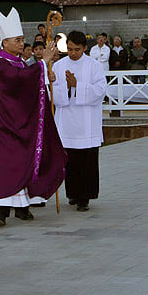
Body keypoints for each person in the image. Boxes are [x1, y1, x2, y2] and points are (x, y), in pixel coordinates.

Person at [0, 8, 66, 226]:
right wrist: (41, 65)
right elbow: (17, 81)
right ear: (5, 43)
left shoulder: (19, 62)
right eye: (17, 40)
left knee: (23, 161)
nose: (22, 44)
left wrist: (44, 75)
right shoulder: (1, 64)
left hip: (19, 123)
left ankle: (22, 206)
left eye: (22, 40)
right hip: (5, 126)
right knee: (5, 165)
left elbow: (26, 81)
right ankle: (1, 211)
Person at [51, 30, 107, 211]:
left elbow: (100, 91)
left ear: (84, 48)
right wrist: (65, 87)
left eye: (77, 49)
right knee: (71, 160)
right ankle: (73, 194)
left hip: (86, 122)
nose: (73, 53)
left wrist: (77, 85)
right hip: (67, 121)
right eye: (69, 49)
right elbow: (53, 95)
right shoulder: (58, 66)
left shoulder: (94, 66)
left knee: (86, 161)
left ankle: (85, 197)